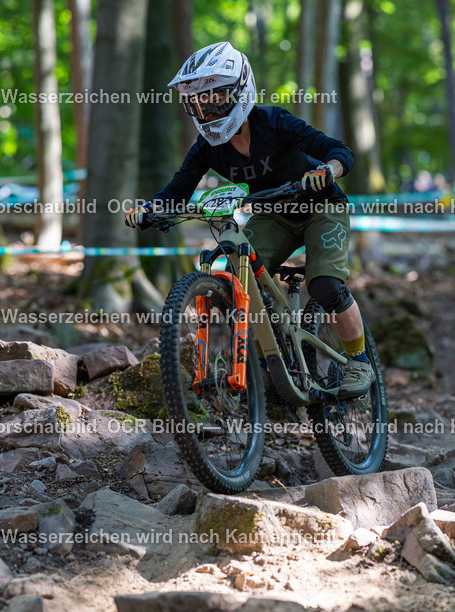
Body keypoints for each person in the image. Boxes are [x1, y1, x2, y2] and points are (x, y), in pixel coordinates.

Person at [126, 41, 374, 398]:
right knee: (239, 280)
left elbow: (338, 150)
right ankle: (270, 363)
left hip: (321, 208)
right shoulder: (207, 146)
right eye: (198, 103)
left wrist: (327, 170)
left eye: (215, 99)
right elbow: (178, 189)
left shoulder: (274, 122)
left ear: (240, 92)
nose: (207, 110)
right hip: (273, 214)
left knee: (324, 286)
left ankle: (359, 360)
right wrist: (150, 211)